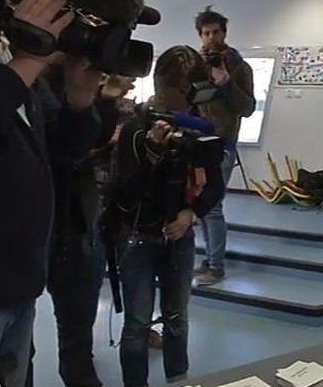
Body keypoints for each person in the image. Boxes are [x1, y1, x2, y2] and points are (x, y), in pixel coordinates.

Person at [0, 0, 103, 387]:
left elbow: (59, 156)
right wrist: (30, 58)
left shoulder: (16, 70)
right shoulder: (18, 70)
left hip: (19, 281)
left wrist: (79, 98)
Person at [108, 45, 224, 387]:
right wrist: (153, 153)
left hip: (180, 235)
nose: (184, 102)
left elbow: (214, 185)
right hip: (137, 237)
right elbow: (125, 193)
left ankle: (179, 380)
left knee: (177, 317)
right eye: (178, 93)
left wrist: (191, 213)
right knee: (137, 323)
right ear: (162, 87)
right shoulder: (135, 129)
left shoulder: (202, 129)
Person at [192, 6, 256, 285]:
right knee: (202, 204)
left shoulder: (240, 66)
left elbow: (248, 108)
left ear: (224, 33)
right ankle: (208, 259)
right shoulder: (193, 63)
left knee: (213, 205)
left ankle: (216, 266)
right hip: (196, 141)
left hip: (224, 143)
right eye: (206, 33)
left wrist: (226, 83)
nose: (210, 38)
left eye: (215, 32)